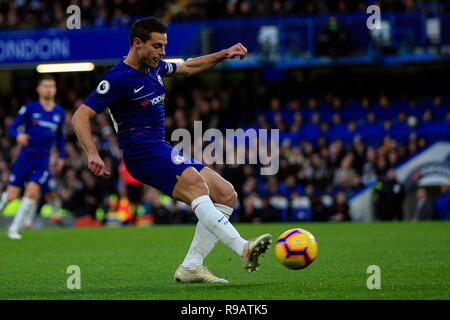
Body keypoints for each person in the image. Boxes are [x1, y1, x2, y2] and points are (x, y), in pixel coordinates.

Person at [71, 17, 272, 284]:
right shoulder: (118, 78)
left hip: (161, 148)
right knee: (197, 186)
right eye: (157, 46)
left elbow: (188, 67)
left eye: (164, 46)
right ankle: (243, 248)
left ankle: (191, 267)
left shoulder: (155, 68)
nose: (162, 52)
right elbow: (80, 116)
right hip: (142, 153)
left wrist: (225, 53)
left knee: (226, 193)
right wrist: (92, 153)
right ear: (137, 43)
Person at [0, 75, 66, 239]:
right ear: (39, 89)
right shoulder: (30, 108)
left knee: (31, 193)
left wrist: (62, 156)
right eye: (45, 86)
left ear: (55, 89)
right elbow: (12, 128)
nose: (49, 89)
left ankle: (13, 230)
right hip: (25, 158)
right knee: (12, 195)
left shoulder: (59, 112)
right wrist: (19, 136)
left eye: (52, 86)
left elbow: (61, 138)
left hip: (42, 160)